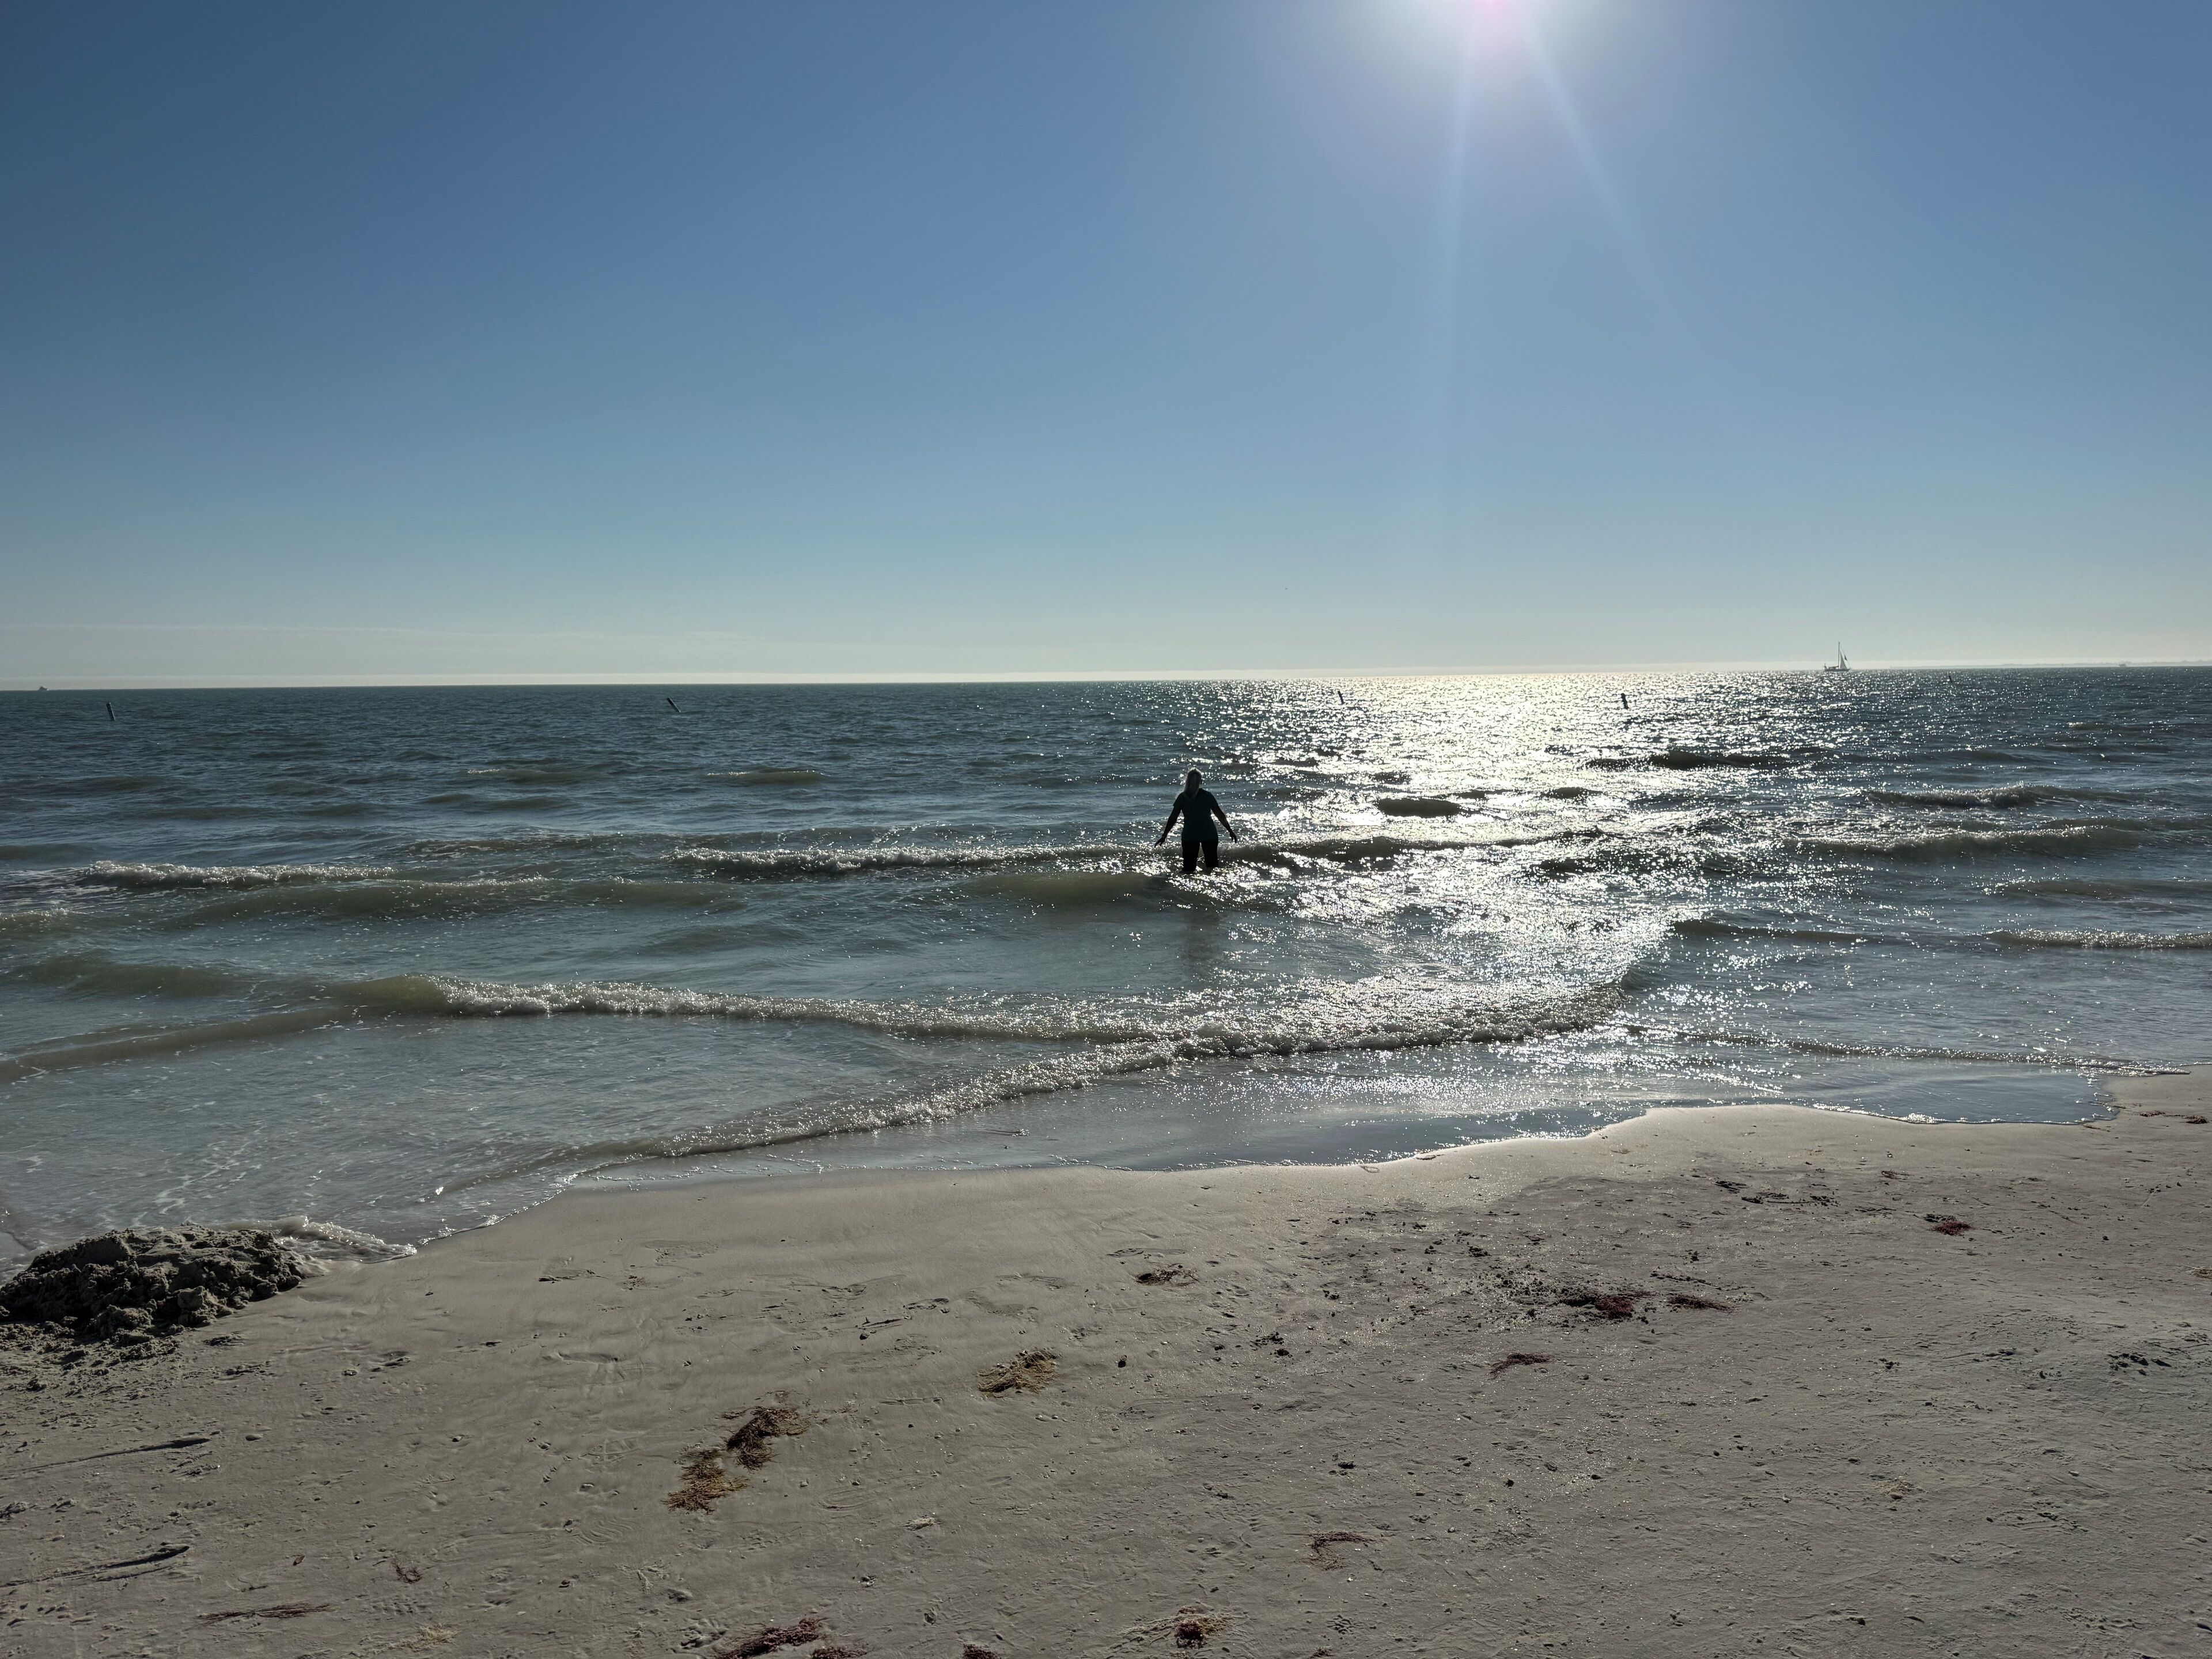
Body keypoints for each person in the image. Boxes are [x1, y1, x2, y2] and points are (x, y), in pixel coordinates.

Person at [1156, 769, 1237, 873]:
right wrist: (1230, 830)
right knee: (1212, 868)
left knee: (1188, 870)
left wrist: (1164, 835)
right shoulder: (1208, 796)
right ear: (1201, 782)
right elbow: (1220, 815)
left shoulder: (1182, 797)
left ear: (1188, 781)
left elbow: (1173, 818)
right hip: (1209, 833)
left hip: (1190, 835)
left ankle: (1187, 889)